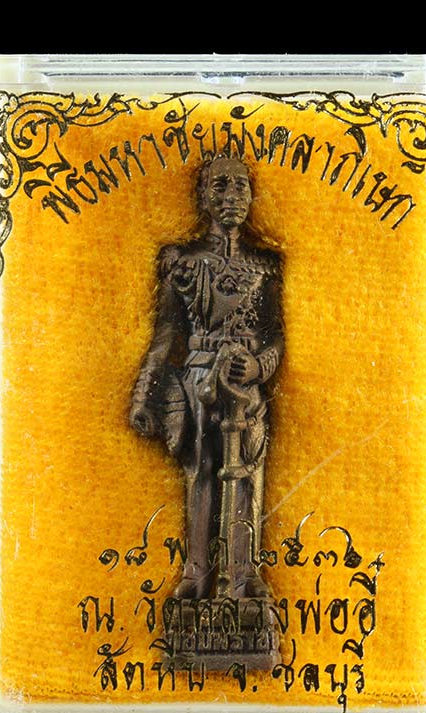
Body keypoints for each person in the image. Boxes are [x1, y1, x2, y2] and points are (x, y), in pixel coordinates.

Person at [130, 154, 284, 600]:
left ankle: (243, 574)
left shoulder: (265, 266)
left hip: (246, 386)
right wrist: (144, 394)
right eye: (219, 186)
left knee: (247, 473)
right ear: (202, 197)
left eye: (240, 186)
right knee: (201, 472)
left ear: (252, 197)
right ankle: (197, 572)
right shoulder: (184, 263)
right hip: (199, 380)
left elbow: (275, 336)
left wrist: (258, 366)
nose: (232, 195)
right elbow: (167, 334)